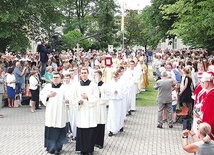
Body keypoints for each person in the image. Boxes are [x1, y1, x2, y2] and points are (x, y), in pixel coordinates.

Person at [40, 72, 68, 154]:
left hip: (60, 112)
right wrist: (48, 95)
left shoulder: (64, 88)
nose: (55, 79)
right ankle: (50, 147)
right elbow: (42, 95)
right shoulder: (47, 87)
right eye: (54, 77)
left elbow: (68, 97)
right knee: (50, 128)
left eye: (57, 77)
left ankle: (57, 147)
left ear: (61, 79)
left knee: (59, 128)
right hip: (50, 112)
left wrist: (67, 100)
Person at [74, 67, 99, 155]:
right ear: (80, 74)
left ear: (88, 74)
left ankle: (89, 149)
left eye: (85, 73)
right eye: (82, 73)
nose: (84, 74)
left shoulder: (93, 85)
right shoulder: (77, 85)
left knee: (90, 130)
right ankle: (82, 149)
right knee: (81, 129)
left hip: (90, 110)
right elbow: (74, 97)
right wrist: (78, 101)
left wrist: (87, 97)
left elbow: (96, 97)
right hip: (81, 110)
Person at [94, 70, 109, 149]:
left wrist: (100, 93)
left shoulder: (104, 86)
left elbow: (107, 96)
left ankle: (100, 142)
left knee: (100, 125)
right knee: (94, 124)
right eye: (94, 75)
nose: (95, 77)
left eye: (96, 75)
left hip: (101, 107)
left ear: (100, 76)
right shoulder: (93, 85)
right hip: (94, 107)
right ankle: (94, 141)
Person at [200, 71, 214, 140]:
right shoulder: (209, 94)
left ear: (207, 83)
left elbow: (209, 113)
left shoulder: (211, 95)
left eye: (203, 82)